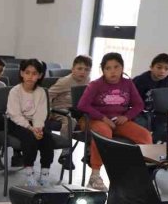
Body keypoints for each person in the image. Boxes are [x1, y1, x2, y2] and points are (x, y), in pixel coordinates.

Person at [78, 52, 151, 191]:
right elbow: (82, 105)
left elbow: (139, 105)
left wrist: (127, 116)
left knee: (145, 136)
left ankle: (137, 174)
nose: (112, 71)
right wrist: (103, 118)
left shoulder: (128, 83)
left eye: (116, 67)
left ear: (122, 68)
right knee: (104, 133)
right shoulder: (95, 84)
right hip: (94, 119)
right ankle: (95, 176)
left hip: (119, 121)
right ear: (103, 70)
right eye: (108, 68)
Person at [6, 59, 54, 187]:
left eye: (34, 73)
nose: (30, 76)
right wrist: (31, 129)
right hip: (17, 122)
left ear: (39, 76)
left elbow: (41, 113)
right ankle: (29, 171)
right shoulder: (15, 91)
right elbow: (15, 114)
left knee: (47, 137)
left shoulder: (41, 92)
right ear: (22, 73)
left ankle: (45, 172)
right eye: (27, 72)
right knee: (29, 137)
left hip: (35, 123)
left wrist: (37, 128)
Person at [48, 55, 92, 170]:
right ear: (73, 69)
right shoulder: (65, 81)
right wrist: (46, 111)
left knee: (93, 121)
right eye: (80, 68)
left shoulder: (88, 80)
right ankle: (65, 154)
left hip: (77, 109)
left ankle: (89, 151)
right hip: (60, 109)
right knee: (70, 121)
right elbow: (47, 95)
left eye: (86, 69)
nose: (83, 72)